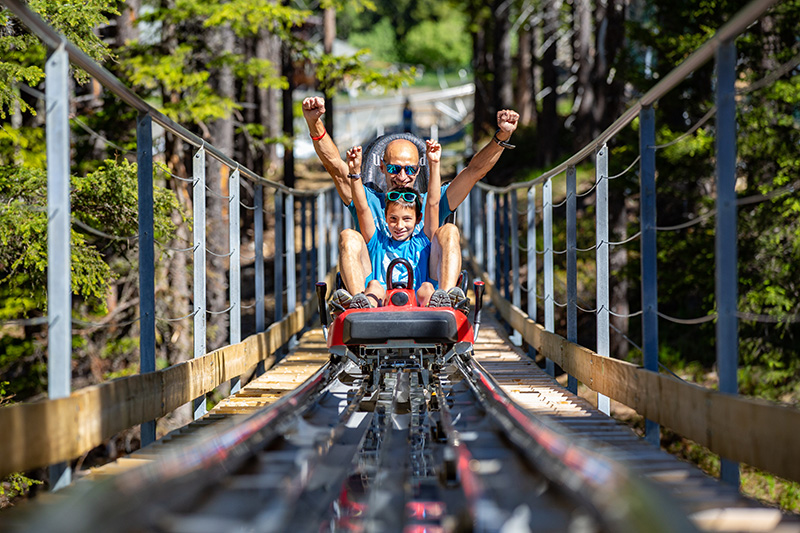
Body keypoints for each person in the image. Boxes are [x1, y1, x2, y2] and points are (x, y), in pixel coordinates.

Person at [302, 96, 519, 311]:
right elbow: (336, 170)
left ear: (418, 169)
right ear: (382, 168)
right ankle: (360, 306)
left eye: (410, 169)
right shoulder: (368, 200)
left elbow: (474, 172)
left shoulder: (431, 204)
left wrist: (502, 137)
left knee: (449, 231)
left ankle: (445, 300)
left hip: (425, 289)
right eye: (395, 168)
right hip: (374, 287)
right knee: (349, 236)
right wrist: (314, 123)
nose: (403, 176)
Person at [343, 140, 444, 309]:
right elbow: (362, 207)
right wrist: (354, 173)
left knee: (427, 287)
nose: (399, 226)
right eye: (393, 219)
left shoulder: (421, 242)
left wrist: (434, 163)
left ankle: (438, 307)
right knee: (374, 286)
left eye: (407, 219)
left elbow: (433, 203)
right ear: (385, 218)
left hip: (418, 304)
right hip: (381, 302)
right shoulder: (378, 242)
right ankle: (361, 307)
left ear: (418, 219)